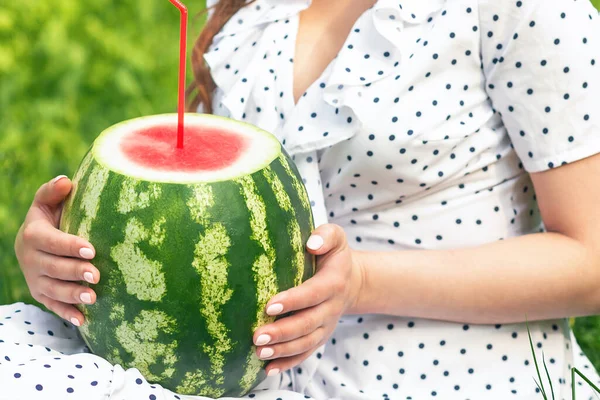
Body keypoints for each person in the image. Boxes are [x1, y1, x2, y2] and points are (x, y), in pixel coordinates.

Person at [2, 0, 600, 398]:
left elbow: (593, 259)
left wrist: (359, 281)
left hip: (438, 374)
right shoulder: (249, 6)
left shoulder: (524, 8)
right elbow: (214, 226)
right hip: (243, 381)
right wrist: (76, 257)